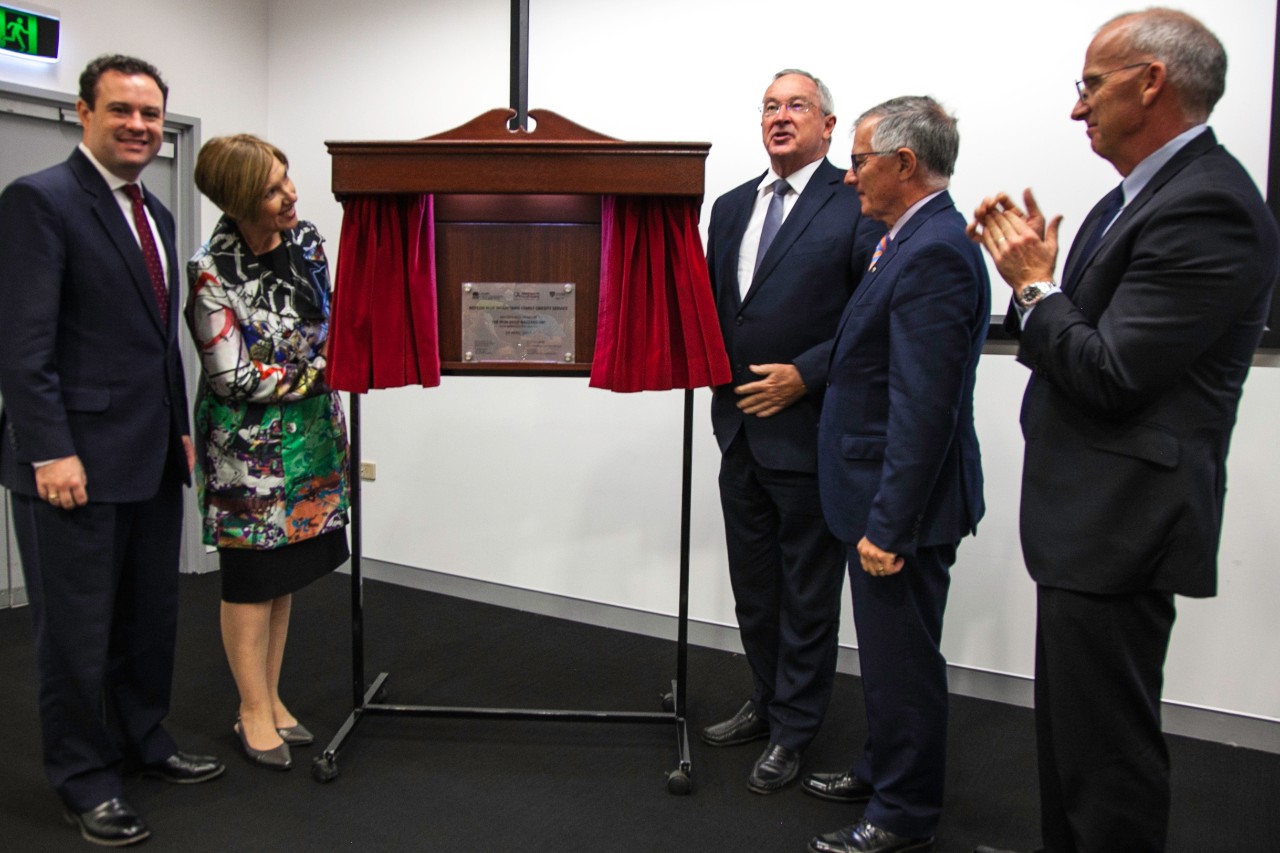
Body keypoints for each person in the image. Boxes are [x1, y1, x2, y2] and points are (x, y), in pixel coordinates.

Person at [966, 9, 1279, 853]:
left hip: (1124, 520)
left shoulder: (1208, 206)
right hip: (1089, 518)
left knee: (1109, 757)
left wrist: (1034, 291)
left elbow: (1109, 374)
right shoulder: (1134, 198)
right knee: (1072, 738)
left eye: (1090, 86)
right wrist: (1039, 282)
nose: (1078, 110)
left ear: (1152, 82)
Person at [0, 54, 225, 847]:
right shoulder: (40, 202)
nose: (139, 125)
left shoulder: (157, 216)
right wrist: (48, 450)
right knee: (75, 633)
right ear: (84, 114)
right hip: (73, 466)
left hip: (152, 455)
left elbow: (157, 339)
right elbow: (23, 348)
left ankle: (143, 740)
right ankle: (83, 778)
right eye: (122, 110)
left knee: (147, 618)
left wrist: (182, 426)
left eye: (152, 115)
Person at [806, 96, 988, 853]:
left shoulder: (937, 249)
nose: (849, 178)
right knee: (885, 657)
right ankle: (883, 766)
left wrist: (889, 522)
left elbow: (925, 407)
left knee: (903, 663)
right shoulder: (903, 238)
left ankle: (902, 813)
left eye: (857, 161)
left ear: (904, 164)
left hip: (898, 507)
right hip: (876, 494)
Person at [702, 68, 880, 794]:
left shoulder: (856, 200)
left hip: (808, 429)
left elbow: (870, 315)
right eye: (770, 106)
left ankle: (795, 729)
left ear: (829, 125)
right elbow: (723, 309)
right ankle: (768, 698)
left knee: (807, 593)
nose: (781, 117)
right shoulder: (732, 204)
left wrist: (807, 374)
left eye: (797, 105)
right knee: (755, 588)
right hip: (739, 430)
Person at [186, 134, 350, 772]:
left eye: (288, 180)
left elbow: (329, 321)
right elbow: (233, 379)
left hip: (309, 439)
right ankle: (250, 708)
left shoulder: (306, 241)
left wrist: (325, 363)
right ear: (236, 199)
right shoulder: (210, 272)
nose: (292, 196)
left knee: (285, 578)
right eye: (273, 189)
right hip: (246, 454)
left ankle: (272, 696)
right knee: (251, 581)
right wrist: (322, 372)